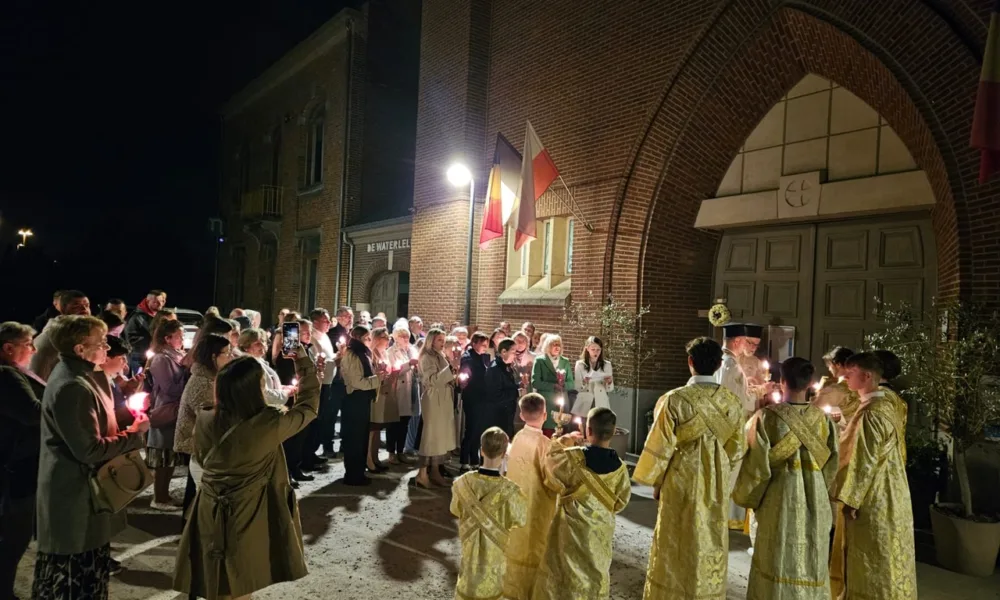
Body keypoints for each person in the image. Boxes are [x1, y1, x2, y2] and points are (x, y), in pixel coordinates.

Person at [172, 345, 320, 600]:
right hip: (247, 510)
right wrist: (304, 365)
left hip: (209, 507)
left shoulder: (206, 418)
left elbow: (201, 457)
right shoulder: (268, 424)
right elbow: (308, 408)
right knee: (240, 578)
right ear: (254, 390)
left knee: (216, 576)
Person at [33, 315, 149, 599]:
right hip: (74, 493)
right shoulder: (73, 386)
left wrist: (128, 416)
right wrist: (133, 435)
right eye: (101, 343)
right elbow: (88, 449)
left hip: (84, 490)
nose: (108, 348)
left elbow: (96, 424)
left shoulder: (85, 375)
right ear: (80, 349)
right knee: (73, 578)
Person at [633, 336, 746, 599]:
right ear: (718, 365)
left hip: (679, 480)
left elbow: (660, 448)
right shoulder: (732, 401)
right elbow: (737, 449)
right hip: (715, 481)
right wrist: (721, 472)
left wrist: (657, 482)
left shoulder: (674, 400)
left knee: (675, 536)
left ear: (690, 362)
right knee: (710, 535)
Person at [733, 357, 839, 599]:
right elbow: (832, 465)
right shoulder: (824, 421)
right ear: (810, 383)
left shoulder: (765, 418)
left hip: (778, 501)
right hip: (815, 503)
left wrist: (749, 498)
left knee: (776, 559)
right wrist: (820, 492)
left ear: (782, 381)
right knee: (811, 559)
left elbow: (755, 468)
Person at [830, 352, 916, 599]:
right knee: (887, 554)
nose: (845, 377)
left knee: (869, 555)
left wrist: (851, 499)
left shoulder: (870, 412)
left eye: (851, 373)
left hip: (873, 495)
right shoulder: (889, 403)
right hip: (893, 486)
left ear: (867, 376)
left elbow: (863, 461)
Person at [531, 407, 631, 600]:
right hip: (600, 531)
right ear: (613, 431)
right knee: (595, 571)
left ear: (588, 430)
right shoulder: (620, 468)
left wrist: (563, 440)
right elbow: (620, 503)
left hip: (570, 531)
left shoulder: (572, 458)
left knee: (564, 571)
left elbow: (551, 471)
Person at [451, 427, 526, 600]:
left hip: (469, 552)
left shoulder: (462, 483)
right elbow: (521, 519)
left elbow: (455, 509)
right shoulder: (512, 491)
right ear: (504, 454)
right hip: (495, 558)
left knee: (467, 583)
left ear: (481, 450)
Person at [0, 322, 44, 598]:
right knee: (14, 536)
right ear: (8, 348)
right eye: (28, 344)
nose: (34, 350)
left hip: (16, 464)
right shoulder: (7, 375)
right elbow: (34, 413)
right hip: (17, 466)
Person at [502, 393, 557, 600]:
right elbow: (553, 480)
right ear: (545, 415)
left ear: (521, 415)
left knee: (515, 545)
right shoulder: (545, 444)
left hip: (515, 507)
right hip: (536, 509)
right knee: (535, 548)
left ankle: (512, 589)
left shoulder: (517, 438)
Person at [715, 322, 764, 537]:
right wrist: (759, 391)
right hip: (732, 424)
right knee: (731, 470)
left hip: (734, 423)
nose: (750, 347)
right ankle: (724, 516)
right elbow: (735, 400)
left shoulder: (729, 362)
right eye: (747, 342)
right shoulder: (730, 365)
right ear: (738, 341)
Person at [174, 334, 232, 507]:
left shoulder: (211, 379)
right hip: (201, 446)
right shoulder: (203, 384)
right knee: (204, 501)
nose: (230, 357)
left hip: (204, 446)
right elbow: (211, 421)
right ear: (213, 357)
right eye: (226, 353)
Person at [146, 319, 187, 511]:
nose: (182, 340)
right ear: (167, 338)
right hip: (165, 411)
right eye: (179, 336)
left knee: (170, 457)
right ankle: (159, 497)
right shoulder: (162, 359)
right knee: (162, 458)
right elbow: (170, 388)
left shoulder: (177, 356)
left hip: (174, 411)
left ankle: (164, 495)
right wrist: (187, 374)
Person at [340, 325, 385, 486]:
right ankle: (353, 475)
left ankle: (359, 472)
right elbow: (357, 382)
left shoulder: (363, 353)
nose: (369, 341)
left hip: (362, 400)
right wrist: (377, 379)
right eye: (367, 338)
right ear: (359, 338)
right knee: (354, 439)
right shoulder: (353, 355)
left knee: (361, 438)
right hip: (354, 400)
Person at [415, 328, 458, 488]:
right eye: (440, 340)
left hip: (443, 398)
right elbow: (432, 380)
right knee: (431, 436)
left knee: (440, 436)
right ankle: (422, 474)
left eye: (443, 340)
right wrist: (451, 368)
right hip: (433, 398)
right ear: (431, 340)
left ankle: (435, 471)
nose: (443, 343)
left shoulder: (440, 355)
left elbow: (447, 376)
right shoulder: (426, 357)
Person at [30, 290, 92, 381]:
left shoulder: (72, 332)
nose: (84, 309)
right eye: (76, 306)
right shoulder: (57, 335)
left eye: (87, 305)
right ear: (63, 309)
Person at [323, 306, 353, 457]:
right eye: (347, 316)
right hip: (336, 380)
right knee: (331, 415)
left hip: (348, 379)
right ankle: (328, 446)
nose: (350, 319)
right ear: (339, 318)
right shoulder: (332, 334)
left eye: (351, 316)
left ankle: (345, 444)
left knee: (348, 415)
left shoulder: (351, 334)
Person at [530, 334, 575, 437]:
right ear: (547, 346)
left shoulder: (565, 361)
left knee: (560, 434)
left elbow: (571, 383)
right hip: (547, 402)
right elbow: (535, 382)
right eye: (554, 344)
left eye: (559, 344)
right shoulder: (540, 361)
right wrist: (553, 386)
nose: (557, 347)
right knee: (547, 433)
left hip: (561, 404)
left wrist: (563, 385)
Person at [238, 327, 295, 407]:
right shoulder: (249, 366)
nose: (262, 345)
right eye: (257, 344)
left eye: (263, 341)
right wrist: (286, 393)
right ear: (246, 347)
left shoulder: (259, 360)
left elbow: (269, 385)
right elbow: (264, 395)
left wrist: (283, 388)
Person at [308, 308, 337, 463]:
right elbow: (318, 361)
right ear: (315, 322)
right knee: (317, 418)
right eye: (326, 320)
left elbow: (328, 357)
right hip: (319, 383)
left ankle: (313, 451)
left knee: (323, 417)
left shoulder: (324, 335)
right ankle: (309, 452)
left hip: (328, 381)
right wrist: (337, 358)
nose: (329, 323)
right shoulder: (312, 337)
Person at [385, 326, 417, 465]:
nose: (405, 339)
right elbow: (394, 370)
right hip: (397, 390)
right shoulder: (391, 352)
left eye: (407, 336)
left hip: (407, 391)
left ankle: (400, 450)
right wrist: (409, 364)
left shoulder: (408, 351)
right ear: (395, 338)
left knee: (404, 423)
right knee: (393, 424)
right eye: (402, 336)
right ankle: (391, 452)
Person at [459, 331, 490, 470]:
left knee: (478, 430)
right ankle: (464, 460)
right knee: (471, 429)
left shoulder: (483, 357)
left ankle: (474, 459)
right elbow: (466, 376)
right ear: (474, 343)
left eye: (486, 344)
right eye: (483, 344)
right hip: (472, 397)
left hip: (482, 397)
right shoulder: (468, 357)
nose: (485, 347)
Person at [367, 327, 396, 473]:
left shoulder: (384, 353)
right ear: (377, 339)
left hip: (384, 392)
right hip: (375, 394)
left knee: (378, 428)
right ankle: (368, 459)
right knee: (372, 428)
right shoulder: (371, 354)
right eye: (386, 338)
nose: (388, 341)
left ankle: (375, 457)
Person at [814, 346, 860, 432]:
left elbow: (813, 415)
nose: (829, 369)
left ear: (838, 364)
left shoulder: (832, 390)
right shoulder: (863, 387)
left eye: (829, 365)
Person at [485, 338, 520, 437]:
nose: (515, 355)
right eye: (513, 352)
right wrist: (518, 392)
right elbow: (495, 395)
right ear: (504, 352)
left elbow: (507, 385)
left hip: (507, 414)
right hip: (498, 416)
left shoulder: (507, 366)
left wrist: (519, 385)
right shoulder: (495, 369)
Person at [124, 289, 165, 370]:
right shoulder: (139, 317)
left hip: (147, 353)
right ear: (147, 301)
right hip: (139, 356)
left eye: (162, 301)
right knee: (140, 376)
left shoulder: (152, 315)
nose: (160, 304)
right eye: (155, 302)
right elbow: (153, 332)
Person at [572, 336, 614, 416]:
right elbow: (577, 387)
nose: (596, 352)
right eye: (593, 349)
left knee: (600, 422)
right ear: (587, 349)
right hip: (585, 401)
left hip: (601, 401)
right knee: (583, 422)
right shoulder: (580, 364)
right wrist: (584, 382)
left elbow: (610, 389)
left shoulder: (607, 365)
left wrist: (609, 382)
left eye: (598, 350)